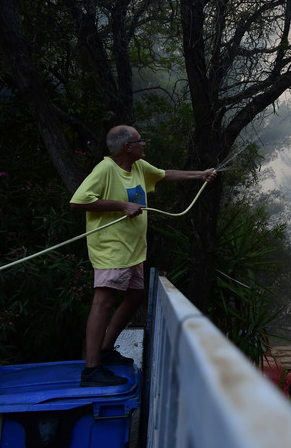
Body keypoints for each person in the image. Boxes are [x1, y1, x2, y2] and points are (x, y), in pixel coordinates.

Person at [70, 125, 216, 387]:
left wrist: (200, 175)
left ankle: (106, 350)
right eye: (140, 141)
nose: (144, 145)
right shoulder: (105, 170)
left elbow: (165, 175)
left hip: (134, 250)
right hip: (111, 249)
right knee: (103, 302)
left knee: (135, 294)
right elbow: (78, 201)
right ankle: (91, 370)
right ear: (127, 147)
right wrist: (121, 206)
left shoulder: (138, 167)